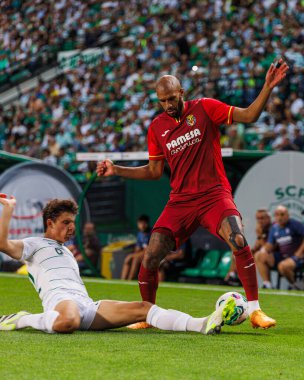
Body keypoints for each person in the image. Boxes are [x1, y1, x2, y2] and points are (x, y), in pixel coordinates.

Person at [97, 58, 289, 329]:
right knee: (150, 255)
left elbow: (248, 116)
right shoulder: (157, 127)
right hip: (180, 201)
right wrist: (117, 169)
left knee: (237, 238)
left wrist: (267, 87)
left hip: (213, 195)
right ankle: (146, 315)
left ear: (182, 93)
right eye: (162, 101)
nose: (168, 105)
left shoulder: (205, 108)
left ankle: (256, 311)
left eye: (172, 99)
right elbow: (153, 171)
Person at [0, 194, 236, 335]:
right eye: (66, 222)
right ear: (49, 223)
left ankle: (202, 324)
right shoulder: (34, 244)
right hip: (61, 302)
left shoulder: (68, 252)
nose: (72, 227)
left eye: (73, 222)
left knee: (143, 308)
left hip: (87, 304)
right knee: (67, 322)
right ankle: (21, 319)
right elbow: (3, 243)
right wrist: (8, 210)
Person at [255, 205, 304, 289]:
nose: (280, 217)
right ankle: (267, 284)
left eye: (282, 214)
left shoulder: (295, 224)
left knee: (283, 266)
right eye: (277, 215)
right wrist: (260, 236)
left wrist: (298, 253)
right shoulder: (274, 228)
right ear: (274, 216)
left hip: (297, 257)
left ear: (287, 215)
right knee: (258, 255)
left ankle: (294, 285)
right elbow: (269, 246)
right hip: (281, 257)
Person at [225, 208, 272, 285]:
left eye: (262, 218)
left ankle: (267, 284)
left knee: (258, 255)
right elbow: (257, 245)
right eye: (258, 219)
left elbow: (268, 248)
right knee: (238, 253)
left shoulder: (273, 228)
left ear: (269, 218)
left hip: (273, 255)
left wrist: (260, 236)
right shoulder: (261, 229)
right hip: (262, 254)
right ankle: (232, 275)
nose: (260, 221)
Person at [121, 215, 151, 280]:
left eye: (144, 223)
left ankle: (130, 281)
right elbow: (138, 248)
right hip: (142, 255)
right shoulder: (140, 234)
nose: (142, 225)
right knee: (128, 259)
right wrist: (134, 254)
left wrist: (133, 256)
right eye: (140, 223)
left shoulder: (151, 234)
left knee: (135, 259)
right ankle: (122, 281)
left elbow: (148, 251)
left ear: (147, 224)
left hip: (150, 257)